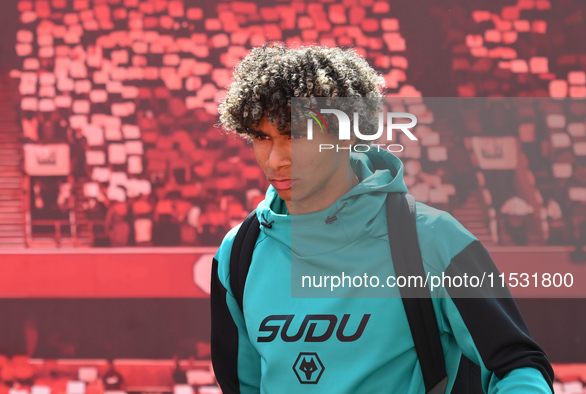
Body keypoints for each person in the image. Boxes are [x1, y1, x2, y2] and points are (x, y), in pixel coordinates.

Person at [211, 44, 554, 393]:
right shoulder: (238, 252)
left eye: (296, 136)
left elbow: (516, 367)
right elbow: (242, 385)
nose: (274, 160)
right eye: (261, 137)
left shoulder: (435, 240)